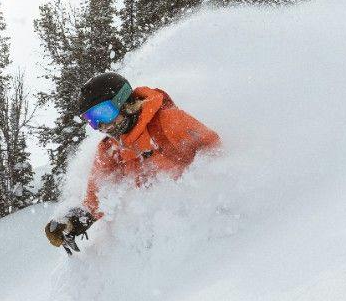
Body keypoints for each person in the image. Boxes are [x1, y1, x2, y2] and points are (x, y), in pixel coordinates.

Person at [44, 71, 221, 253]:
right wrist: (73, 222)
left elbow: (217, 154)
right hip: (168, 238)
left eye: (103, 113)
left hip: (206, 220)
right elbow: (98, 197)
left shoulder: (168, 122)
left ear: (123, 101)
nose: (102, 125)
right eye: (92, 120)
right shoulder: (110, 150)